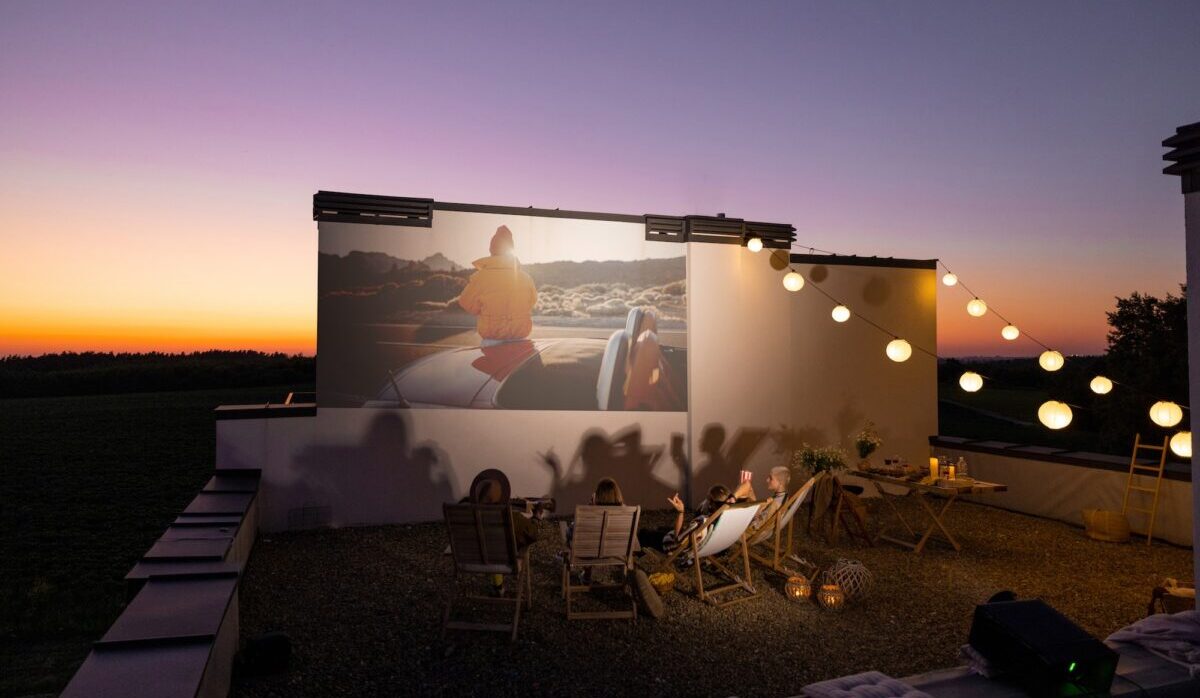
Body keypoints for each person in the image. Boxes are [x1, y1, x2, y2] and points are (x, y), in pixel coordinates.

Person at [455, 225, 537, 346]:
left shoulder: (480, 277)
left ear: (492, 250)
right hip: (521, 339)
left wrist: (483, 310)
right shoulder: (525, 277)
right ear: (511, 250)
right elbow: (532, 302)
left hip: (492, 340)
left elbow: (465, 302)